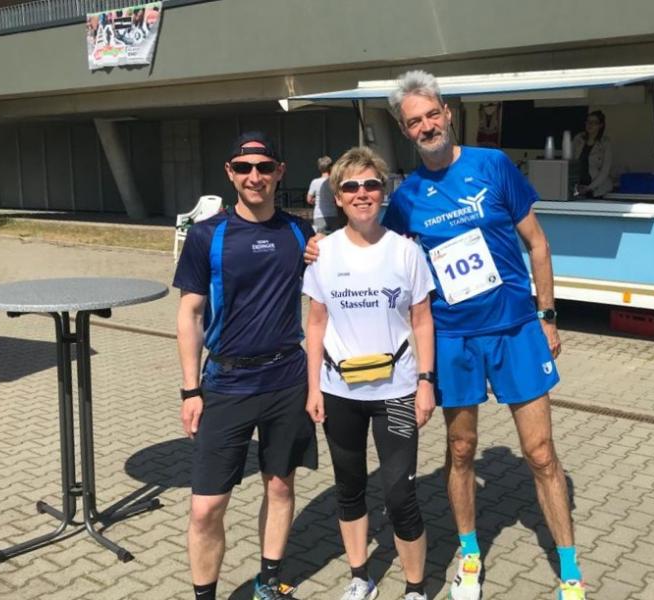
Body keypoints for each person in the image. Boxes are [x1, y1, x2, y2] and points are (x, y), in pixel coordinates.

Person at [306, 70, 586, 600]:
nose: (427, 126)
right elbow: (373, 242)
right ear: (405, 130)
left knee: (541, 452)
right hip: (454, 338)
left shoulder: (493, 165)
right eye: (415, 121)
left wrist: (547, 316)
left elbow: (538, 245)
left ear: (448, 113)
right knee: (460, 449)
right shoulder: (408, 197)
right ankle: (471, 556)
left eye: (432, 114)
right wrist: (318, 245)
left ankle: (569, 571)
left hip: (515, 330)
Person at [174, 131, 318, 600]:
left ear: (279, 172)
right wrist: (190, 390)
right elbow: (190, 314)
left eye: (264, 167)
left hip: (287, 379)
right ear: (230, 174)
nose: (254, 176)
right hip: (226, 383)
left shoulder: (300, 234)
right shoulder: (206, 235)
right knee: (206, 507)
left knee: (280, 487)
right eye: (243, 168)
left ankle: (268, 582)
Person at [304, 147, 436, 600]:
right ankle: (360, 576)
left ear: (383, 192)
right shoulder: (322, 253)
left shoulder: (406, 251)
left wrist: (426, 383)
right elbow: (316, 323)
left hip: (396, 392)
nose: (362, 194)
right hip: (339, 392)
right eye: (351, 187)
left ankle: (416, 587)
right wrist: (313, 389)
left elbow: (422, 320)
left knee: (400, 493)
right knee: (349, 487)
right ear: (338, 197)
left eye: (371, 184)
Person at [572, 110, 613, 198]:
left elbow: (605, 171)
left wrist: (589, 188)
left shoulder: (605, 143)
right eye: (588, 121)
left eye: (594, 122)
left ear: (600, 125)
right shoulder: (578, 139)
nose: (590, 125)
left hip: (597, 187)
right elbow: (570, 162)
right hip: (578, 186)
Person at [306, 155, 341, 233]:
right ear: (331, 167)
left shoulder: (315, 182)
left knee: (321, 238)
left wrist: (316, 200)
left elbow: (309, 199)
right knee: (335, 237)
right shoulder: (334, 182)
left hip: (319, 215)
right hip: (333, 214)